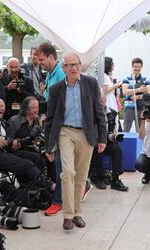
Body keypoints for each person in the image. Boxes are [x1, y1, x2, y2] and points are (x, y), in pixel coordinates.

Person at [44, 52, 107, 230]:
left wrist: (102, 137)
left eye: (76, 64)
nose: (73, 68)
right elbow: (50, 118)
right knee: (68, 173)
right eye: (69, 65)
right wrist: (48, 146)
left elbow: (98, 111)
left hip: (86, 134)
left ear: (80, 65)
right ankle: (67, 215)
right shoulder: (56, 89)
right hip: (65, 132)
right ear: (63, 68)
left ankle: (77, 212)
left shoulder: (90, 83)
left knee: (80, 176)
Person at [0, 98, 52, 193]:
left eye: (4, 106)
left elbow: (9, 140)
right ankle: (49, 186)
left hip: (6, 151)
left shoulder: (4, 123)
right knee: (26, 164)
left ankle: (37, 190)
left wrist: (14, 143)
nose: (4, 108)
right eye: (1, 106)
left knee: (36, 158)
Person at [37, 42, 66, 216]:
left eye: (42, 60)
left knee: (61, 166)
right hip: (52, 124)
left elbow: (58, 104)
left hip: (58, 126)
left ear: (51, 57)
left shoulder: (60, 74)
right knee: (56, 163)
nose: (40, 63)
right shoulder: (50, 75)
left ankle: (59, 201)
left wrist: (46, 114)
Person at [122, 57, 150, 132]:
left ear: (141, 67)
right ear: (132, 67)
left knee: (140, 130)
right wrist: (139, 90)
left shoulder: (146, 79)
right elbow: (124, 92)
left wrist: (137, 96)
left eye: (139, 67)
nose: (137, 68)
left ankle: (140, 144)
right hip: (129, 107)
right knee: (126, 129)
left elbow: (149, 93)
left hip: (141, 107)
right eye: (135, 66)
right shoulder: (126, 78)